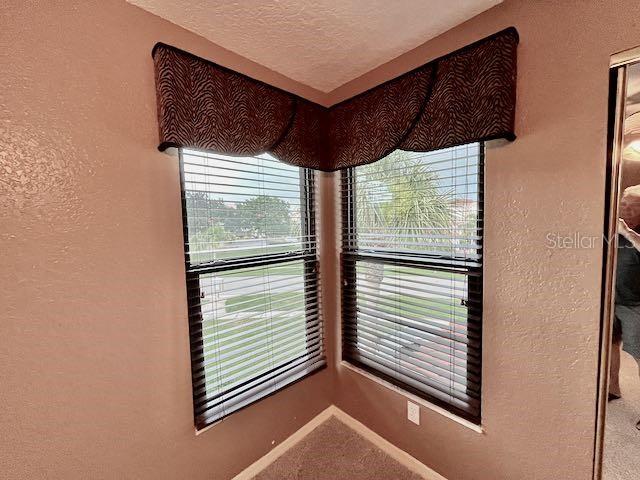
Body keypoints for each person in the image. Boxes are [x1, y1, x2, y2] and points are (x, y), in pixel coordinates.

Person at [609, 184, 640, 430]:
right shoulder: (612, 227)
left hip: (636, 304)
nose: (625, 208)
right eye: (623, 203)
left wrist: (628, 232)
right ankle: (613, 388)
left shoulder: (628, 231)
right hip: (611, 300)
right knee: (610, 345)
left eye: (632, 205)